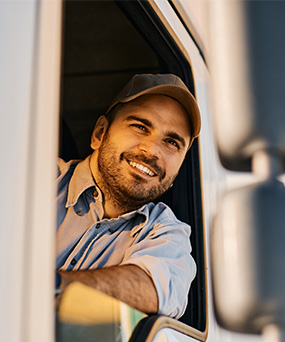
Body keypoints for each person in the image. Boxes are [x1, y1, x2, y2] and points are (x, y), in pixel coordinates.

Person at [56, 74, 201, 319]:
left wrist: (39, 290)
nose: (152, 150)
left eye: (172, 142)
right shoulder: (33, 177)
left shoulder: (167, 233)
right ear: (100, 134)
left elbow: (155, 288)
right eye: (140, 127)